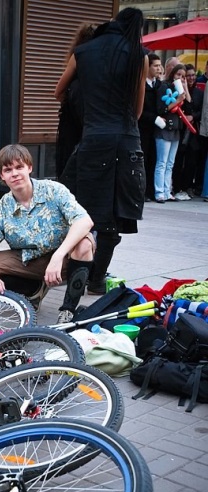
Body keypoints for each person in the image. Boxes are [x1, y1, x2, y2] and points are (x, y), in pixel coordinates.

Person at [58, 8, 148, 295]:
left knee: (78, 209)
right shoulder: (138, 55)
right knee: (112, 217)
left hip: (92, 139)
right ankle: (96, 279)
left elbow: (59, 91)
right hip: (125, 140)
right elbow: (137, 110)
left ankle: (75, 274)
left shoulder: (84, 52)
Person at [0, 144, 95, 324]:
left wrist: (58, 256)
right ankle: (31, 292)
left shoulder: (53, 190)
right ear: (2, 176)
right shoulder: (2, 208)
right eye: (8, 170)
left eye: (19, 167)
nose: (15, 173)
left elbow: (85, 221)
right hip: (30, 261)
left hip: (65, 257)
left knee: (84, 244)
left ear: (29, 167)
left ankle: (68, 310)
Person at [54, 22, 96, 179]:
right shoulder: (85, 58)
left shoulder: (78, 55)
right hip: (88, 119)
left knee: (68, 161)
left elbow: (58, 92)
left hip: (73, 118)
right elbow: (58, 92)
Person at [154, 64, 190, 203]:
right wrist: (178, 100)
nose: (180, 78)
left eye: (183, 76)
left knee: (170, 163)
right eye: (178, 75)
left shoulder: (181, 90)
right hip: (164, 128)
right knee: (162, 162)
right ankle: (159, 192)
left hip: (176, 129)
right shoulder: (165, 87)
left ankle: (167, 190)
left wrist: (185, 89)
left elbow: (189, 104)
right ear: (172, 74)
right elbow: (161, 108)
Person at [172, 64, 203, 200]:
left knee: (191, 160)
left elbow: (196, 110)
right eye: (187, 75)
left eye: (192, 75)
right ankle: (176, 186)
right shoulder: (178, 89)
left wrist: (193, 117)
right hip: (180, 129)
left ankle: (186, 186)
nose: (190, 78)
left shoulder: (199, 93)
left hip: (192, 131)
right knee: (178, 159)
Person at [138, 53, 163, 201]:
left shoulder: (159, 85)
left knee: (155, 160)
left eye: (160, 65)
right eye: (155, 65)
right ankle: (142, 192)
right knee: (144, 160)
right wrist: (154, 118)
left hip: (157, 131)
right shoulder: (141, 85)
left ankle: (151, 191)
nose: (158, 68)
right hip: (143, 129)